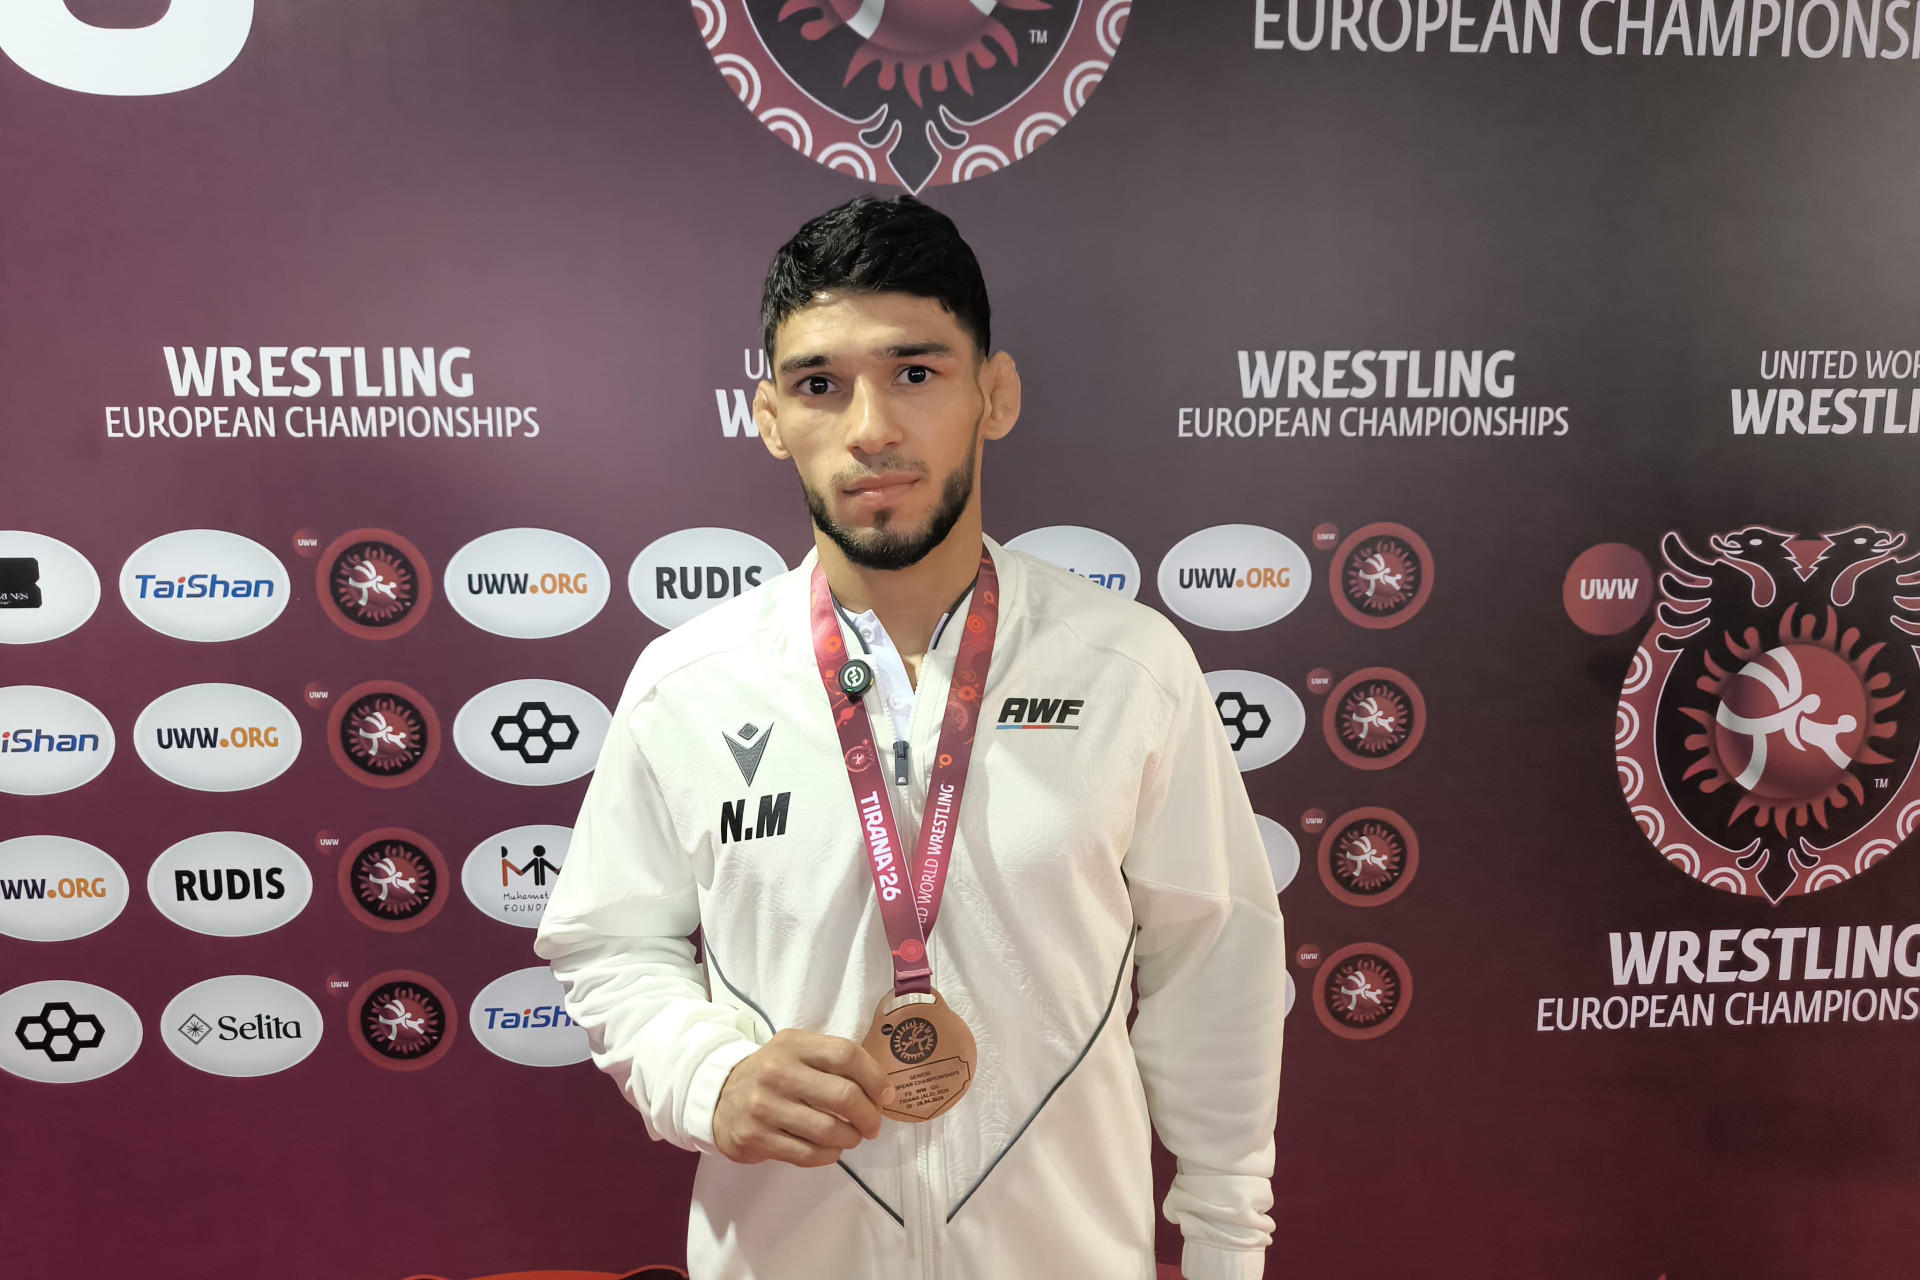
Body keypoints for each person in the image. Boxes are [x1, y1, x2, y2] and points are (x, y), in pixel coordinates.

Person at [535, 194, 1285, 1280]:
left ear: (995, 393)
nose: (871, 428)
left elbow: (1214, 967)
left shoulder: (1129, 666)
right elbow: (609, 943)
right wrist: (706, 1075)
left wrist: (1225, 1249)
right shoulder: (687, 684)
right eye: (820, 385)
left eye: (916, 372)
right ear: (769, 417)